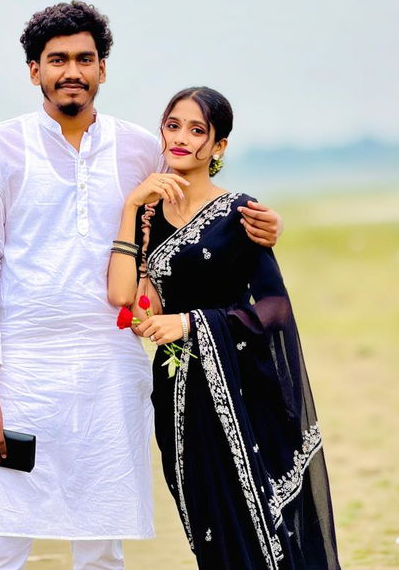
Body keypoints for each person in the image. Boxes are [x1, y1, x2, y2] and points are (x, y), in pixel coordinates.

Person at [0, 3, 283, 570]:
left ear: (103, 69)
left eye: (85, 58)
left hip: (112, 363)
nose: (71, 71)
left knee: (102, 539)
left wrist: (263, 224)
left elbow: (197, 202)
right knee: (0, 537)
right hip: (20, 368)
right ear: (34, 70)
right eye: (57, 60)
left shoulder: (138, 149)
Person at [107, 86, 341, 569]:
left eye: (198, 130)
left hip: (241, 389)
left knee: (258, 526)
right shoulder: (148, 213)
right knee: (207, 526)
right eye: (173, 125)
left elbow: (275, 308)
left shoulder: (239, 213)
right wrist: (131, 210)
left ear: (219, 147)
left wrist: (192, 323)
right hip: (178, 396)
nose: (181, 139)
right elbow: (126, 300)